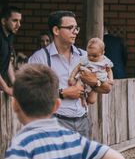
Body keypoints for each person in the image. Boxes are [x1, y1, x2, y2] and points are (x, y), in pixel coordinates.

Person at [29, 10, 112, 138]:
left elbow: (107, 88)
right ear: (56, 30)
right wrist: (63, 93)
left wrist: (94, 82)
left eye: (76, 28)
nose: (75, 31)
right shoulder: (39, 59)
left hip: (83, 122)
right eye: (70, 28)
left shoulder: (85, 56)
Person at [68, 37, 114, 105]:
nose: (91, 57)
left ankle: (86, 101)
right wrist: (72, 77)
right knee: (76, 86)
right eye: (89, 55)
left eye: (94, 56)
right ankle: (82, 98)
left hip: (98, 81)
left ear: (102, 53)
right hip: (83, 79)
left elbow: (109, 71)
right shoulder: (86, 59)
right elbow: (77, 67)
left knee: (92, 100)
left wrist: (111, 80)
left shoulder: (105, 61)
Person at [0, 6, 22, 96]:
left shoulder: (10, 35)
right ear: (3, 21)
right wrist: (6, 88)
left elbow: (7, 60)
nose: (19, 25)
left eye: (20, 21)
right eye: (15, 21)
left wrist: (14, 83)